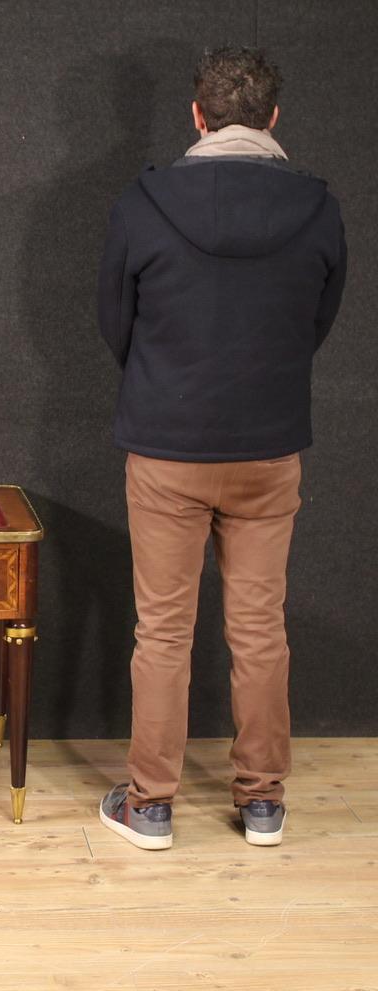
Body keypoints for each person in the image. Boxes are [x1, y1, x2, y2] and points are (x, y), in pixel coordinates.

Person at [96, 46, 347, 850]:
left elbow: (115, 321)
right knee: (260, 628)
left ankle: (151, 806)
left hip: (167, 445)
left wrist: (168, 379)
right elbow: (318, 319)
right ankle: (263, 802)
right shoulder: (318, 207)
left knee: (163, 632)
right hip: (268, 447)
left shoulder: (145, 203)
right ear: (274, 119)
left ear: (197, 117)